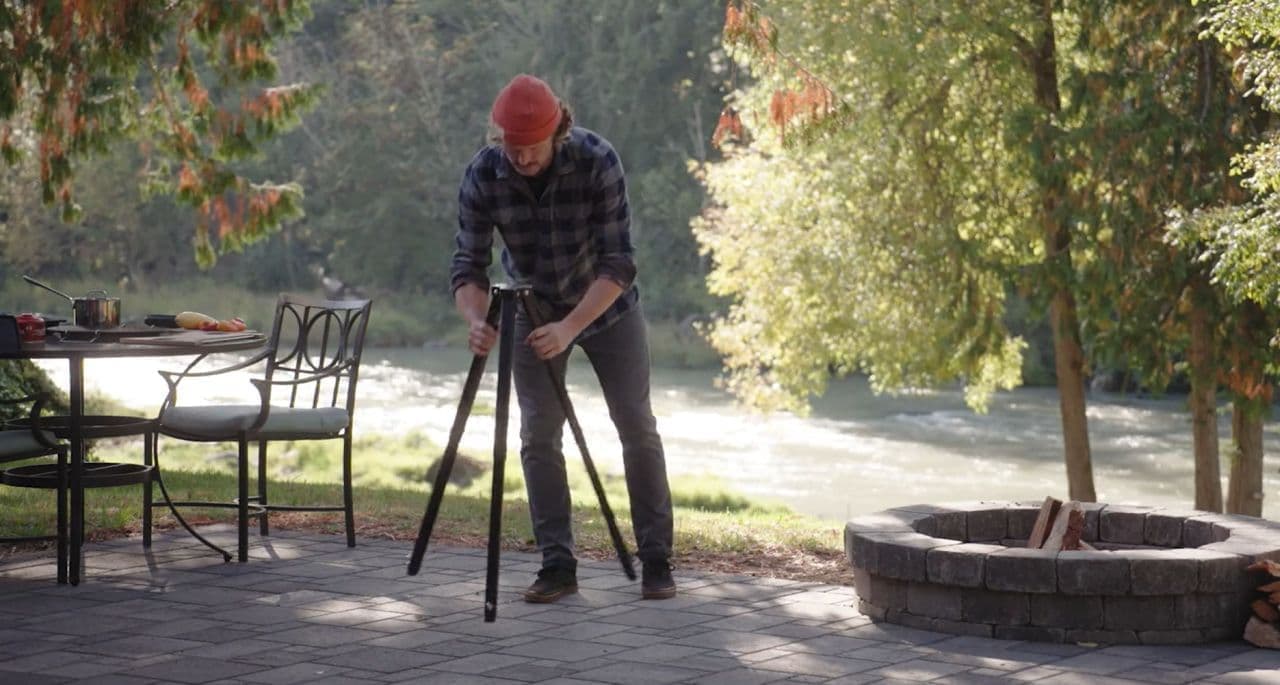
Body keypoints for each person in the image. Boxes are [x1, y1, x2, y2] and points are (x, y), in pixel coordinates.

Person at [449, 74, 676, 603]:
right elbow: (468, 265)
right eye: (513, 149)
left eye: (531, 149)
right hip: (531, 306)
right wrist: (477, 320)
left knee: (636, 425)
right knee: (538, 434)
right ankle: (557, 565)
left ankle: (657, 560)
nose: (522, 159)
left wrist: (571, 325)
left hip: (607, 307)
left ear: (558, 132)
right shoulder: (484, 173)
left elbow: (621, 262)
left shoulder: (598, 160)